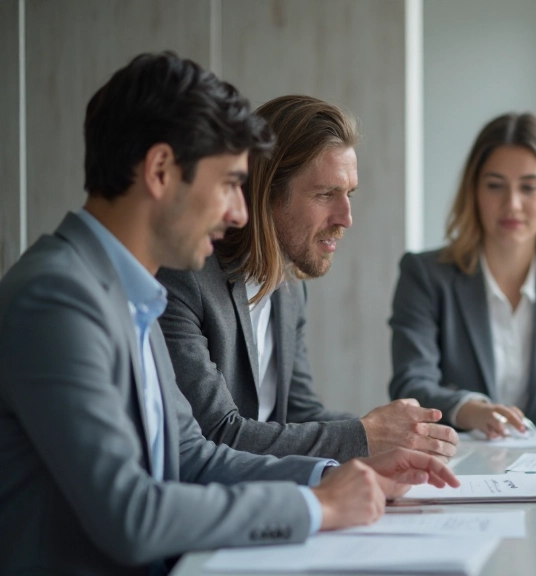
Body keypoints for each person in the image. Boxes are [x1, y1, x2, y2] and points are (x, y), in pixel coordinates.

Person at [0, 52, 456, 575]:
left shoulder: (128, 292)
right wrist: (318, 506)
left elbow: (194, 456)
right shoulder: (58, 299)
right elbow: (132, 514)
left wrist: (338, 475)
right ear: (160, 171)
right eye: (226, 185)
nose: (241, 213)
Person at [158, 95, 459, 463]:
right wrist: (366, 435)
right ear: (266, 193)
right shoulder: (184, 280)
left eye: (348, 194)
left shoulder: (289, 289)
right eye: (325, 194)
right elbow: (216, 433)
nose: (346, 217)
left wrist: (404, 435)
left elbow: (300, 415)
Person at [389, 112, 536, 439]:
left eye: (529, 187)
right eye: (495, 186)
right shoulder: (424, 275)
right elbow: (411, 383)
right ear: (474, 190)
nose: (512, 205)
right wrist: (470, 409)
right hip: (459, 462)